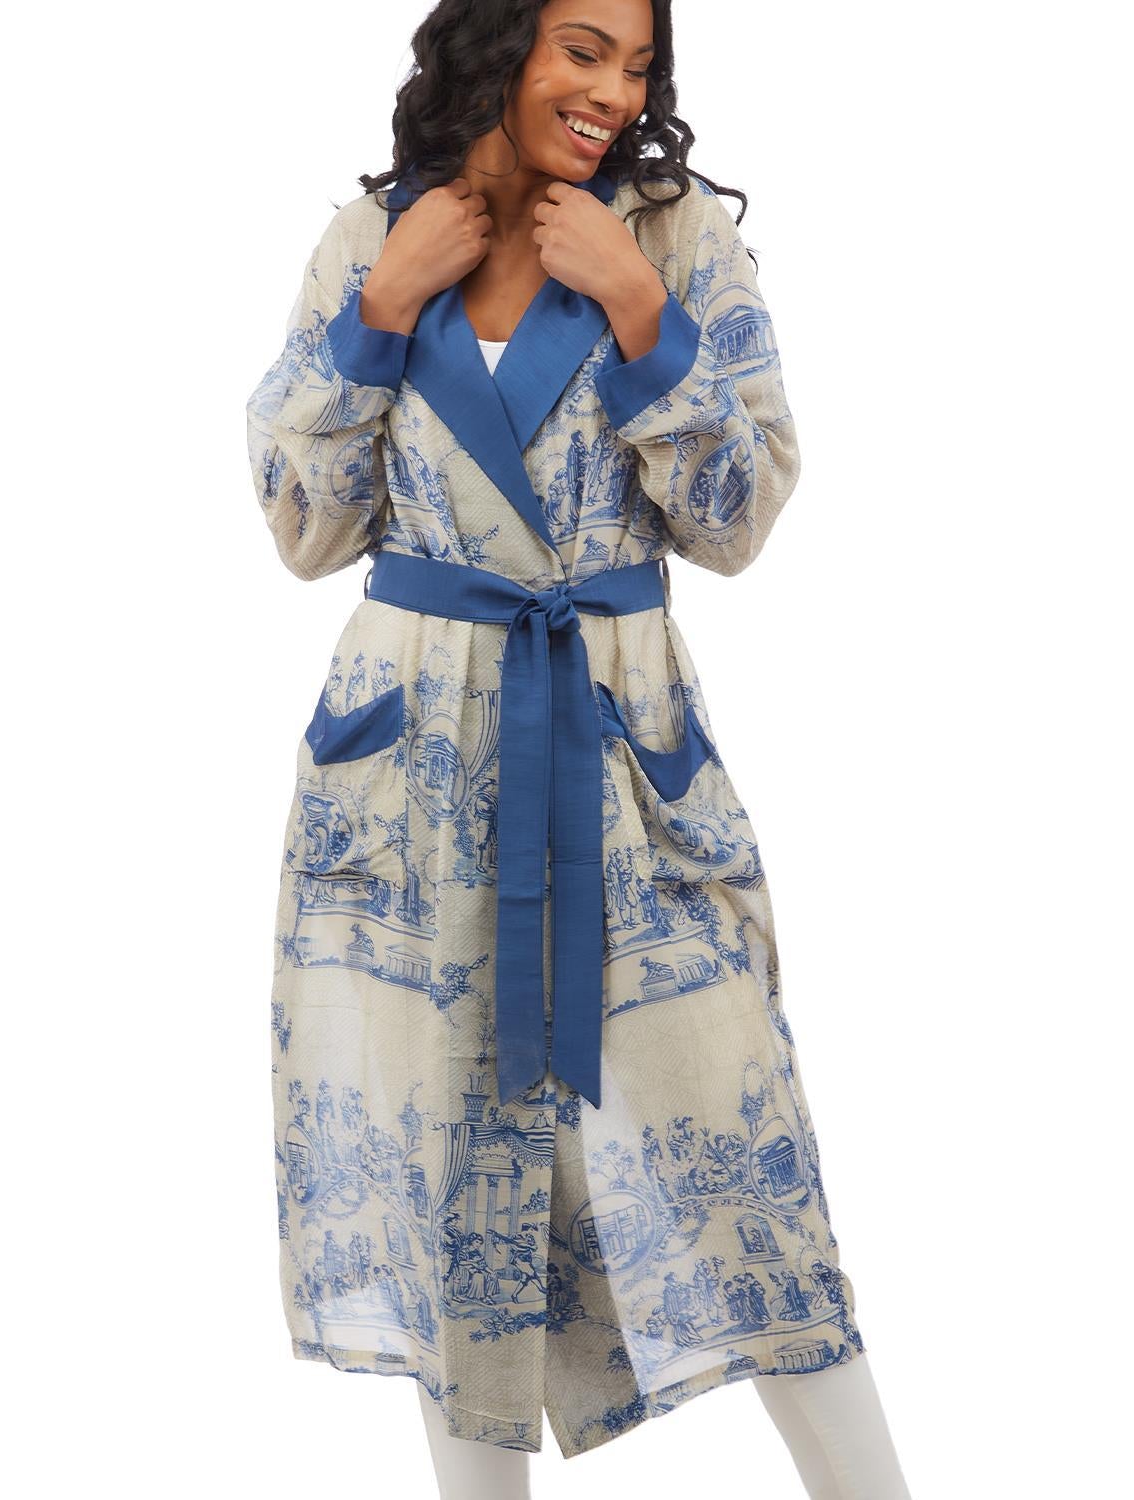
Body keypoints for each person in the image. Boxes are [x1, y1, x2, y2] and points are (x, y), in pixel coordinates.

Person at [245, 2, 913, 1494]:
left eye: (640, 63)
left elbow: (734, 521)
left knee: (743, 1170)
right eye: (585, 48)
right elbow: (304, 525)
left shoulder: (670, 239)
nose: (616, 89)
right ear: (501, 46)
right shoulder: (371, 238)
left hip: (618, 753)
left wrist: (640, 312)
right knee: (449, 1193)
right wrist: (379, 314)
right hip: (406, 778)